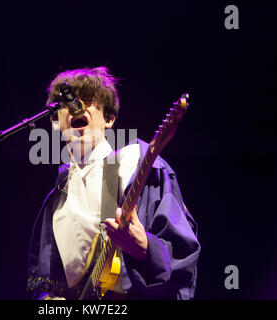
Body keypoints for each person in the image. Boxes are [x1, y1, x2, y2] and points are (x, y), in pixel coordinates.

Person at [27, 66, 200, 300]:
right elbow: (43, 284)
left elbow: (184, 258)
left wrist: (146, 249)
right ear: (56, 122)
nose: (76, 106)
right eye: (66, 104)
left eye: (87, 101)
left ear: (109, 118)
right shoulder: (56, 202)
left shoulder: (137, 165)